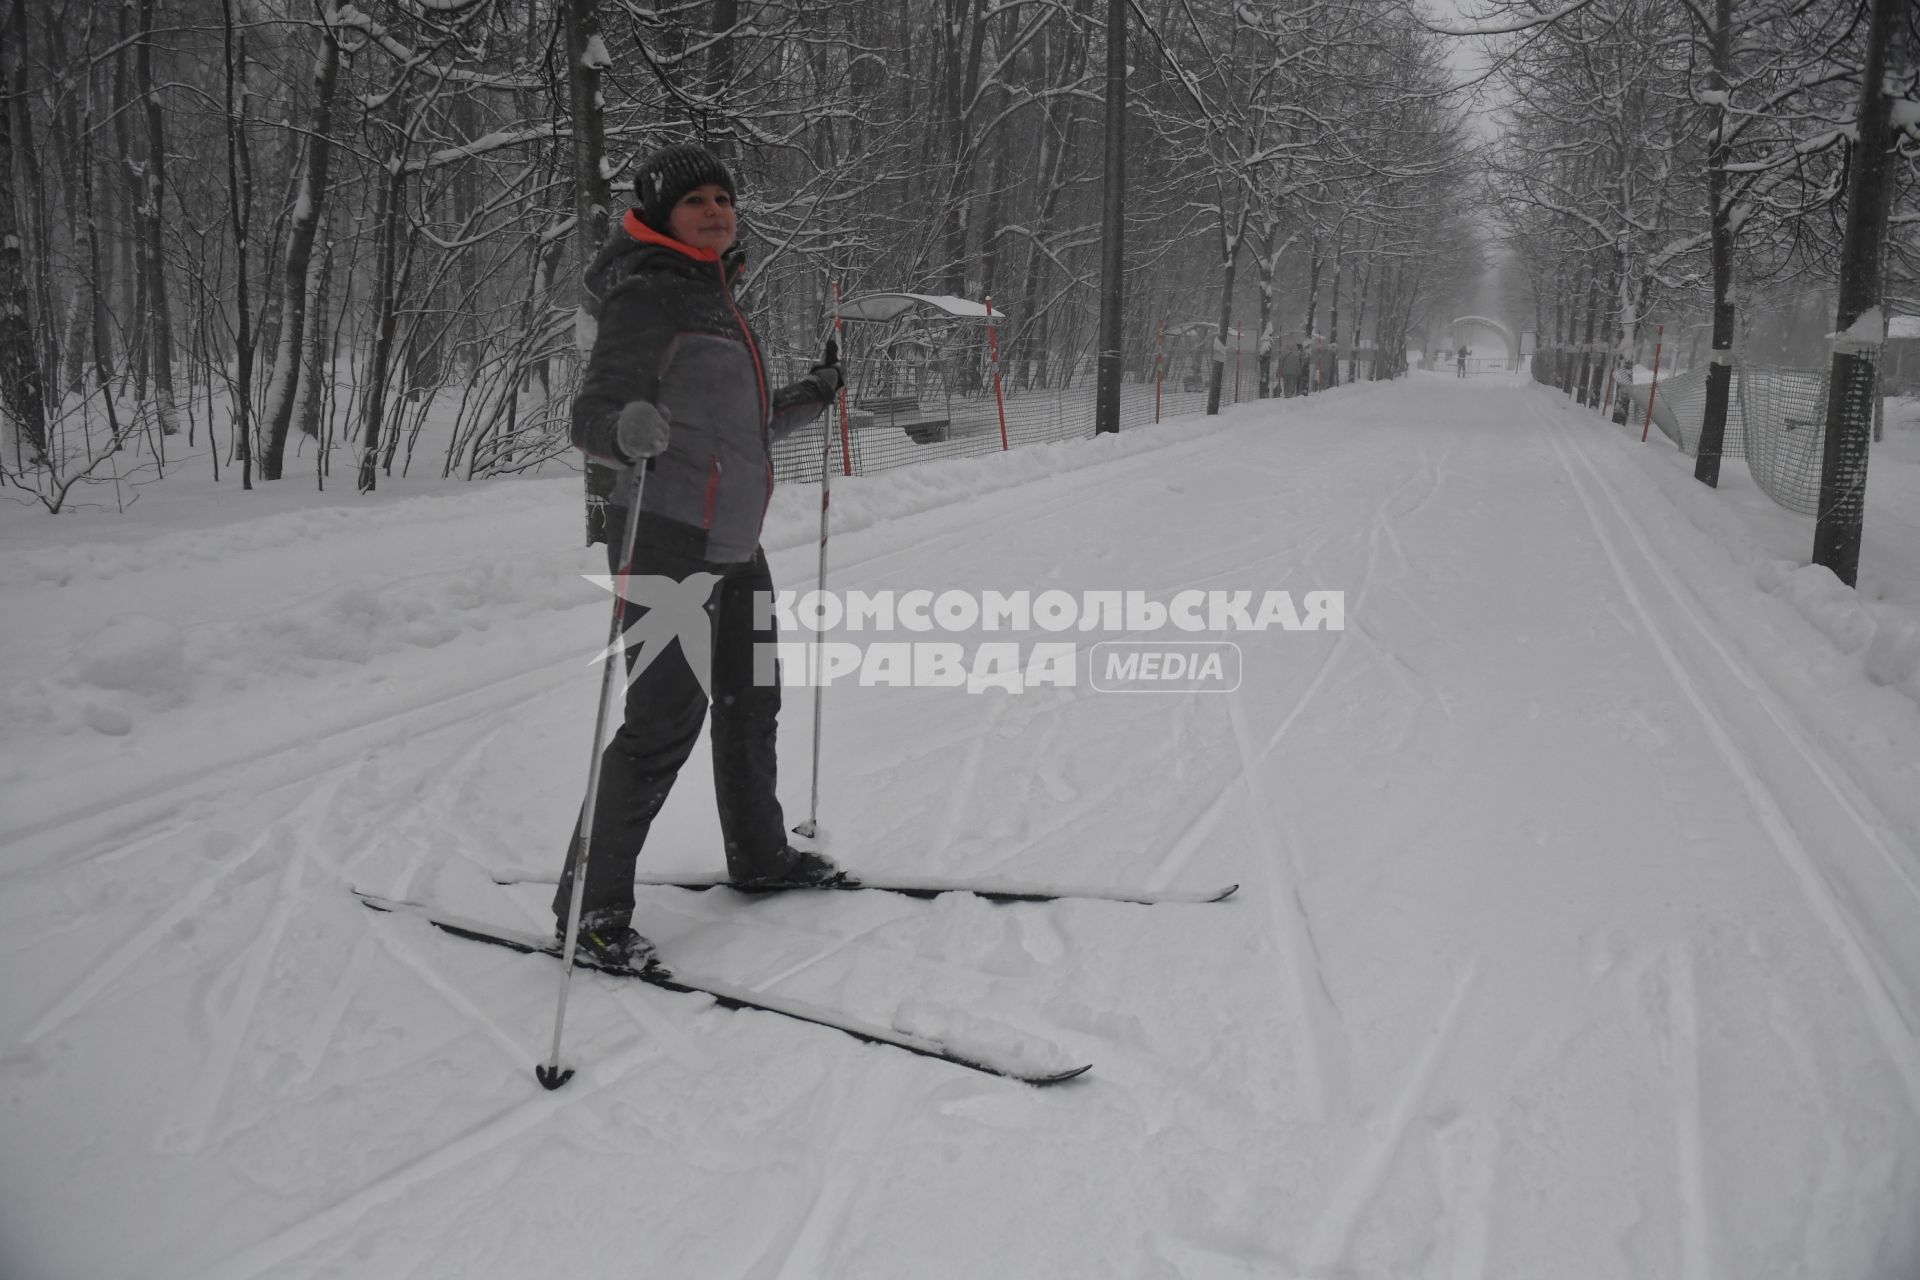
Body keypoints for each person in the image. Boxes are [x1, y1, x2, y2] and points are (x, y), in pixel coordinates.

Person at [552, 143, 846, 969]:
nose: (716, 210)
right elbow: (594, 412)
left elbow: (732, 433)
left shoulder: (716, 298)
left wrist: (811, 396)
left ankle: (761, 857)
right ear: (659, 215)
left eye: (724, 197)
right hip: (664, 538)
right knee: (660, 724)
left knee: (753, 703)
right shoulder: (648, 294)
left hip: (732, 543)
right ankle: (589, 908)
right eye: (696, 202)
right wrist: (617, 431)